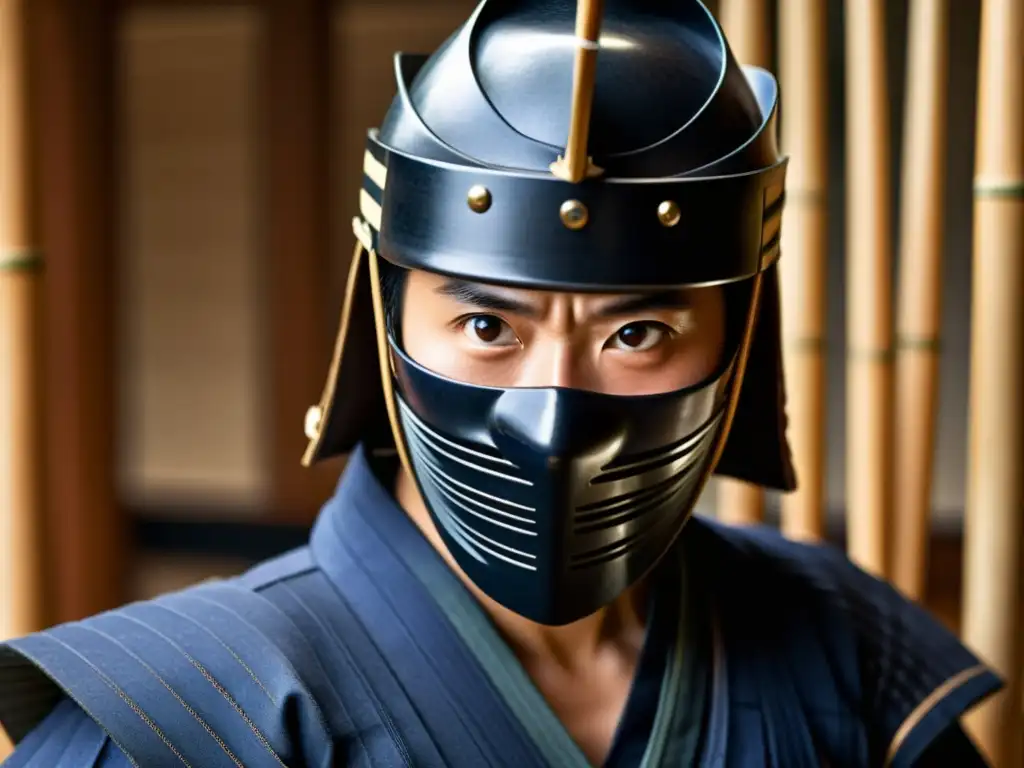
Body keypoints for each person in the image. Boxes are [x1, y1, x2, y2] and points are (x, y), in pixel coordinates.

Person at [0, 1, 1002, 765]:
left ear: (740, 339)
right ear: (385, 323)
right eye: (487, 325)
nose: (552, 418)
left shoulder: (846, 648)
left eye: (639, 330)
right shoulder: (174, 716)